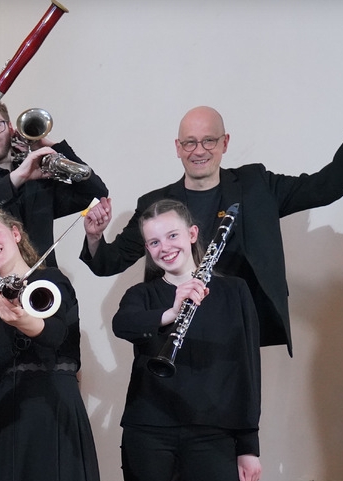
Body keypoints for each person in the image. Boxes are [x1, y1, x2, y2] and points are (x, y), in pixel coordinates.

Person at [82, 80, 343, 353]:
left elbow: (325, 188)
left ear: (225, 142)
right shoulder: (155, 204)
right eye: (190, 142)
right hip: (172, 333)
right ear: (178, 148)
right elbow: (110, 262)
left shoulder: (257, 185)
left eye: (209, 141)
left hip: (237, 333)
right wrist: (95, 237)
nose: (199, 151)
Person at [112, 199, 261, 481]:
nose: (165, 248)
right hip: (149, 431)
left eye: (172, 235)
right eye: (154, 242)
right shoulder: (140, 295)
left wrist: (248, 446)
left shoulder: (235, 291)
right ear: (147, 248)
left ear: (192, 234)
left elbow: (247, 368)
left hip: (214, 431)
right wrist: (170, 313)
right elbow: (122, 325)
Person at [0, 206, 100, 481]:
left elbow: (55, 335)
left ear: (15, 234)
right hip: (3, 422)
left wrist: (22, 320)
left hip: (51, 413)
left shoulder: (51, 280)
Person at [0, 98, 108, 266]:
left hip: (47, 279)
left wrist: (50, 146)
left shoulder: (39, 177)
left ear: (10, 128)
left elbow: (96, 194)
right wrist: (18, 177)